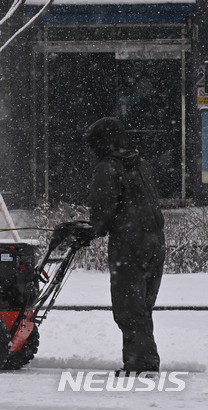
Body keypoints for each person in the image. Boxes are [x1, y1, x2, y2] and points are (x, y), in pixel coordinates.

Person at [84, 117, 165, 374]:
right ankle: (143, 360)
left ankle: (141, 364)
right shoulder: (140, 164)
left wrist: (91, 230)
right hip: (155, 242)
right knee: (142, 306)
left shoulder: (108, 168)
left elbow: (102, 213)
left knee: (128, 309)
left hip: (129, 246)